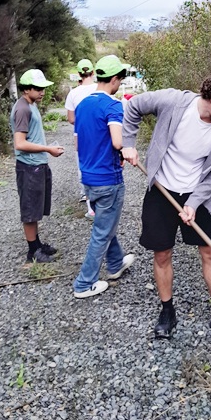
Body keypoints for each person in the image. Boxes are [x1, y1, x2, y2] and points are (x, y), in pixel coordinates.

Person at [122, 73, 211, 339]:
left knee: (210, 252)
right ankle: (167, 311)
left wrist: (193, 203)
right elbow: (133, 107)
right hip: (162, 190)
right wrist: (128, 145)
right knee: (162, 254)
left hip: (199, 195)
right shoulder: (172, 102)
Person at [72, 55, 134, 299]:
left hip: (88, 177)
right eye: (120, 80)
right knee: (101, 232)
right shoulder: (113, 105)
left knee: (105, 223)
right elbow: (118, 141)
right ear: (115, 79)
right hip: (108, 178)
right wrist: (126, 149)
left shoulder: (82, 104)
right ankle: (84, 283)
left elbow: (80, 141)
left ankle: (116, 263)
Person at [10, 69, 65, 263]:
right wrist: (48, 149)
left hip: (37, 165)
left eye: (43, 88)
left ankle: (37, 244)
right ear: (27, 89)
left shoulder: (31, 104)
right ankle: (33, 251)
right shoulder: (22, 109)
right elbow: (20, 143)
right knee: (30, 210)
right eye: (38, 88)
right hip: (28, 167)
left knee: (36, 208)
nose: (42, 92)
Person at [64, 59, 98, 219]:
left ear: (79, 74)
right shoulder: (100, 88)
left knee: (84, 167)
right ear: (93, 72)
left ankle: (91, 207)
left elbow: (71, 119)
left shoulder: (74, 93)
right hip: (100, 133)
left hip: (81, 135)